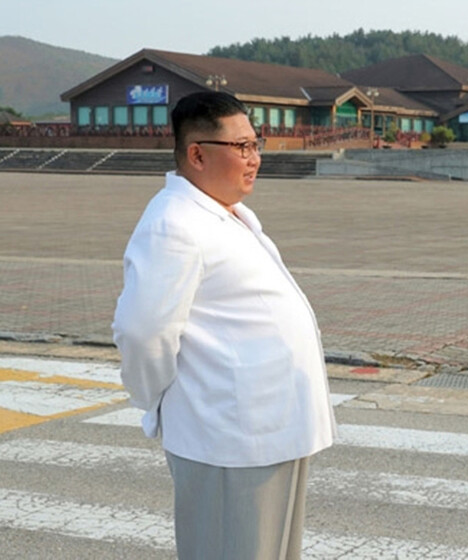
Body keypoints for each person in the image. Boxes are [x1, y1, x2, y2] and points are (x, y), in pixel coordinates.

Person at [113, 91, 336, 560]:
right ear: (197, 154)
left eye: (256, 145)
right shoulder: (173, 225)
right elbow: (143, 333)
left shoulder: (225, 214)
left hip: (271, 429)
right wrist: (157, 402)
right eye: (241, 148)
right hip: (228, 437)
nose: (254, 159)